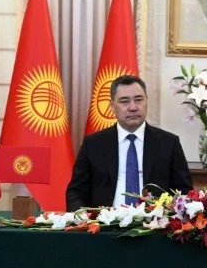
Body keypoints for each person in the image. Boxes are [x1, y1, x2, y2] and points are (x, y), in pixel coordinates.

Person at [66, 74, 193, 209]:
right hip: (104, 220)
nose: (133, 107)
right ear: (112, 106)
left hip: (155, 220)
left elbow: (184, 191)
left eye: (138, 100)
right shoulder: (93, 144)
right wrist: (83, 217)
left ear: (146, 101)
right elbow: (76, 192)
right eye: (124, 101)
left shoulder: (169, 143)